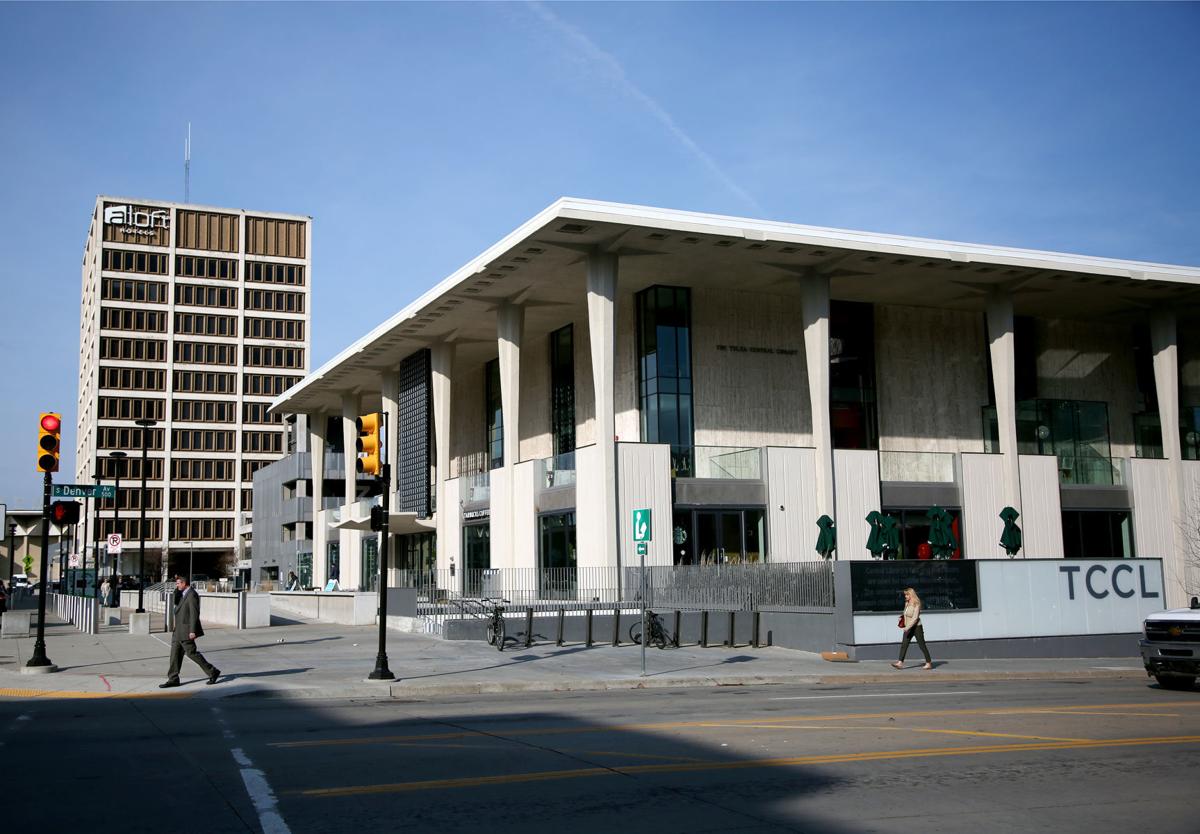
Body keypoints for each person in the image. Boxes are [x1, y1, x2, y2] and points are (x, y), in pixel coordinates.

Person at [159, 575, 220, 688]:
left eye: (178, 584)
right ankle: (173, 679)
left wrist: (192, 631)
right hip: (178, 631)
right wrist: (176, 592)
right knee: (174, 655)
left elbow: (194, 614)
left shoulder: (192, 594)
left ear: (183, 583)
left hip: (187, 630)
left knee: (192, 653)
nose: (176, 586)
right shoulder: (182, 594)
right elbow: (178, 607)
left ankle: (213, 671)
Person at [892, 586, 933, 670]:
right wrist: (902, 617)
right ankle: (900, 663)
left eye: (906, 595)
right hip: (908, 627)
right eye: (905, 595)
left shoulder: (917, 604)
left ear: (911, 595)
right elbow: (906, 614)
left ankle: (928, 663)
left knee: (922, 645)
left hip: (917, 627)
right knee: (904, 645)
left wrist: (907, 627)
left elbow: (915, 618)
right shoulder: (907, 603)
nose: (905, 596)